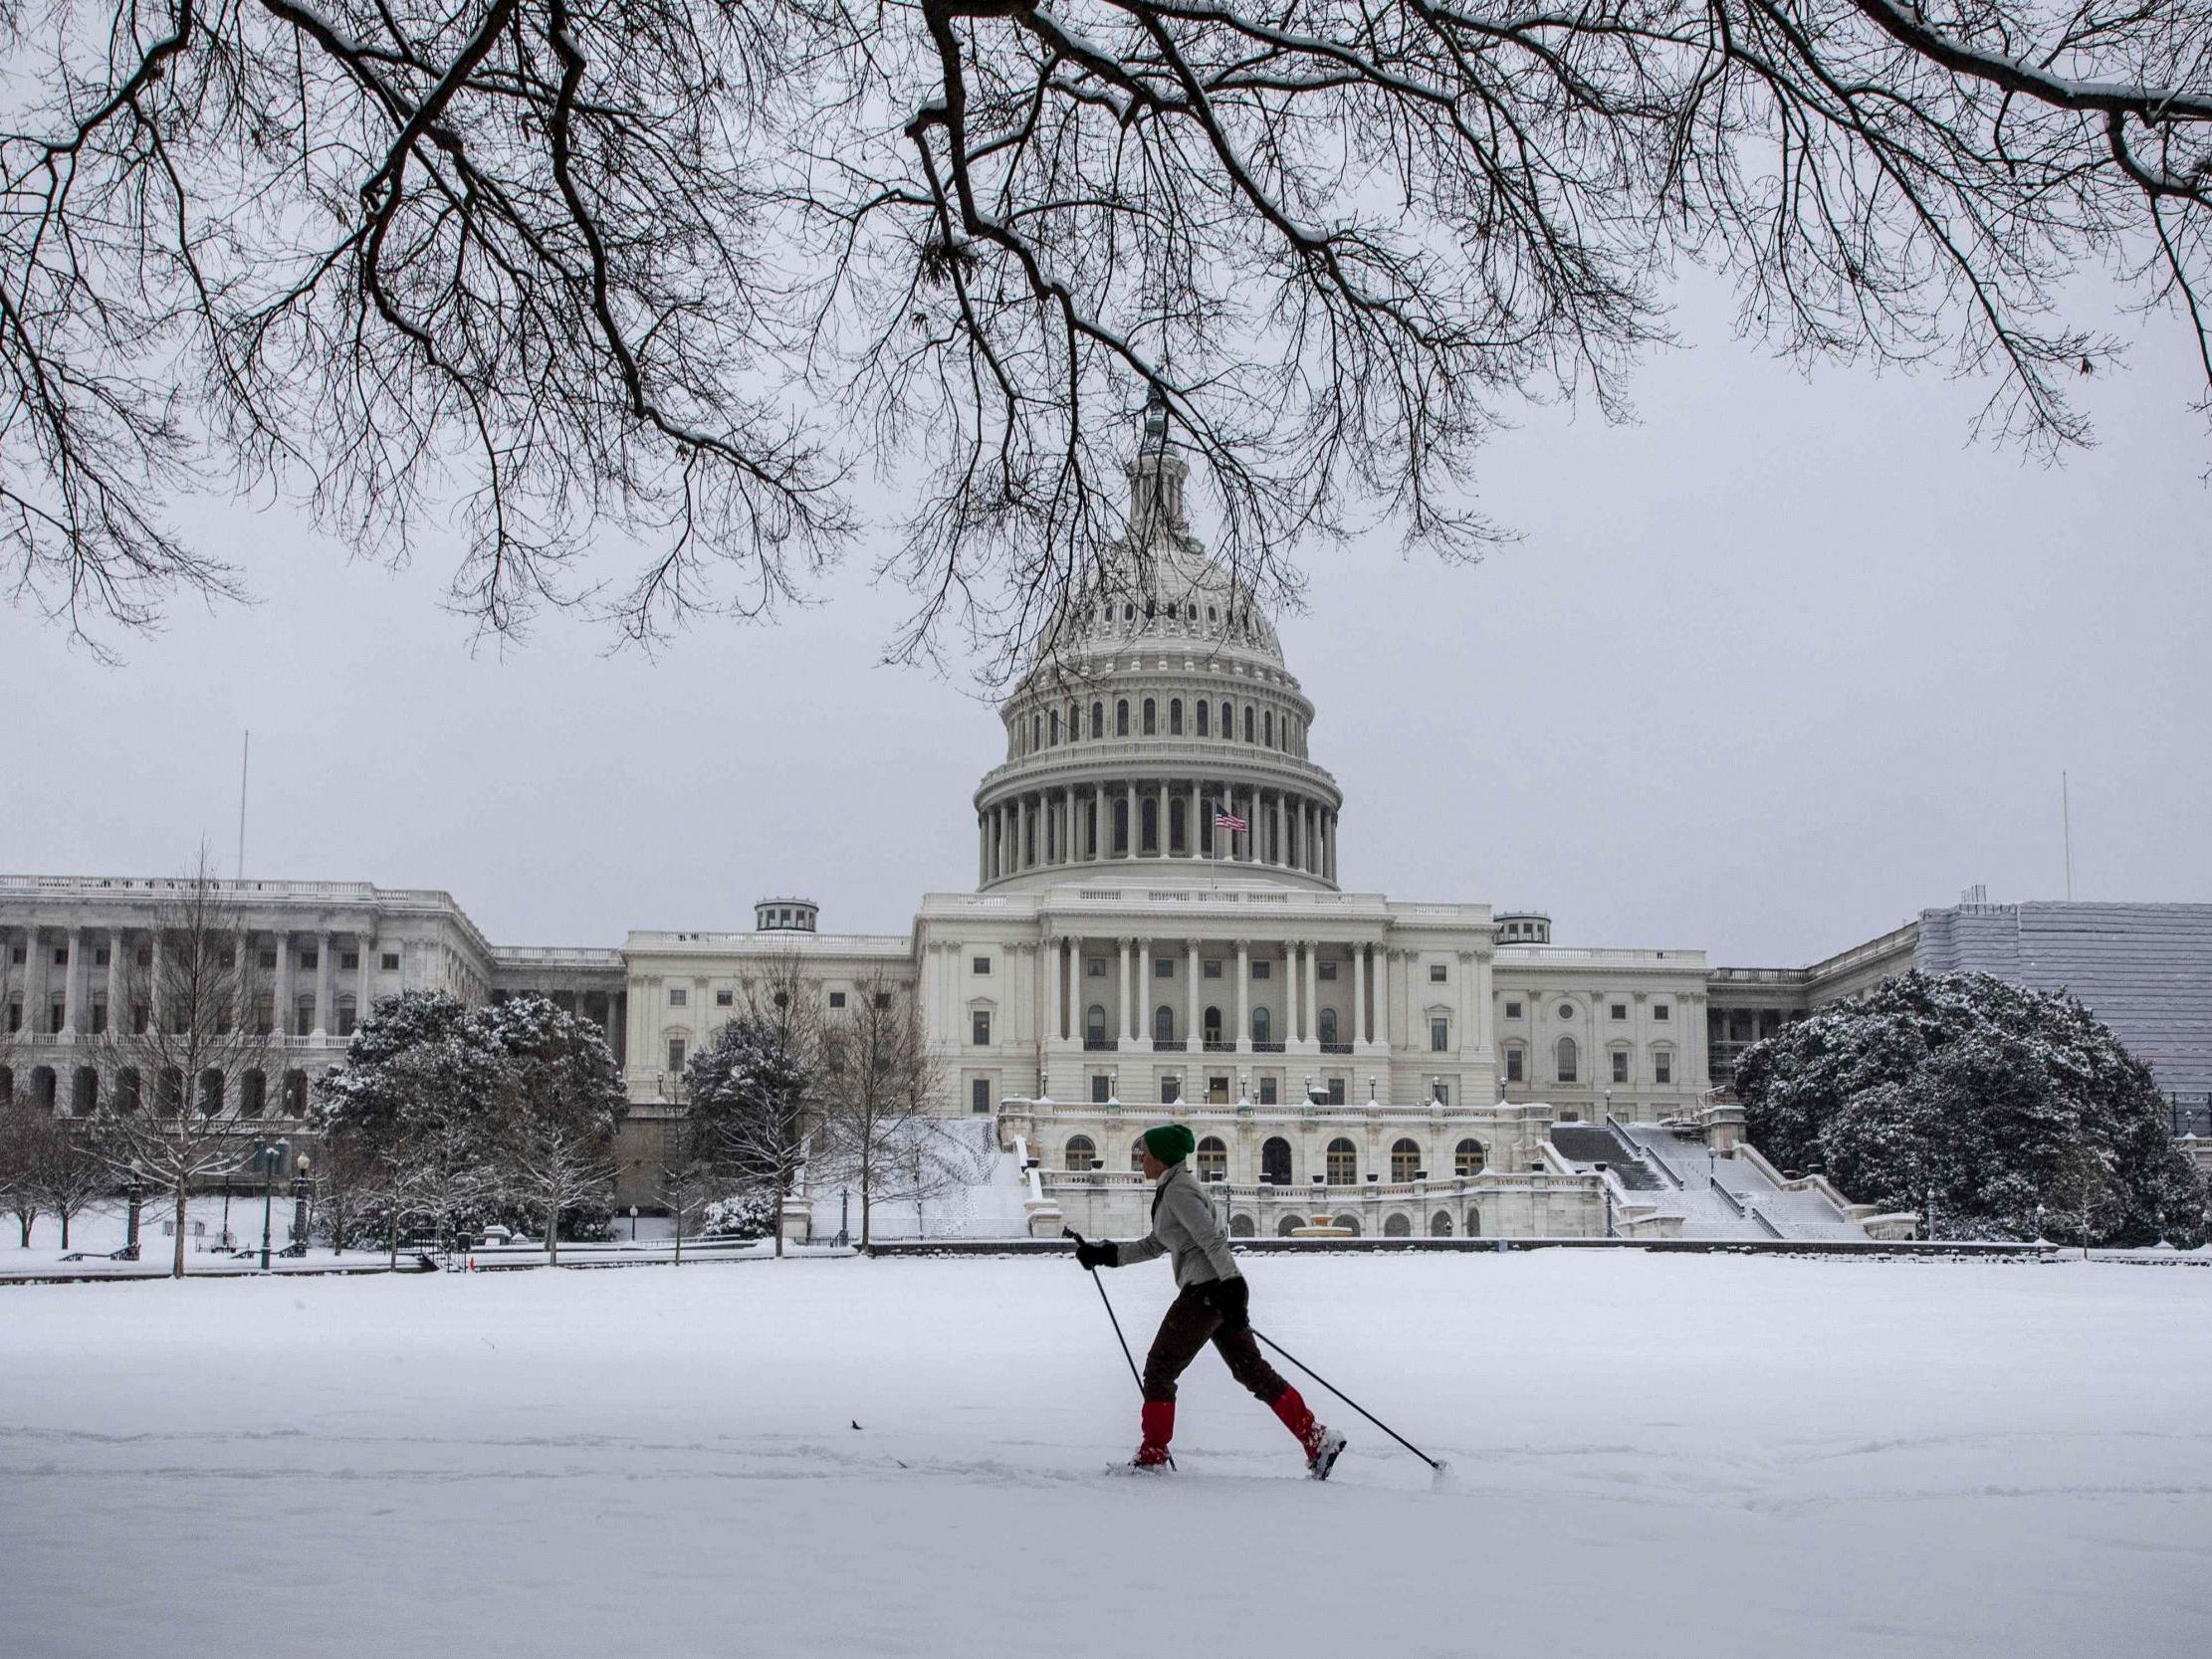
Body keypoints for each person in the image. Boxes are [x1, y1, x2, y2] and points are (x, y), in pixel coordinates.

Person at [1075, 1123, 1347, 1478]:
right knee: (1252, 1371)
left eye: (1145, 1153)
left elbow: (1210, 1238)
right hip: (1215, 1291)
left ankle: (1153, 1455)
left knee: (1160, 1368)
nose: (1140, 1158)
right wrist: (1108, 1255)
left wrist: (1233, 1283)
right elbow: (1157, 1243)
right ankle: (1316, 1438)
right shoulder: (1173, 1188)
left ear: (1161, 1157)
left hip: (1206, 1292)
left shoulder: (1179, 1191)